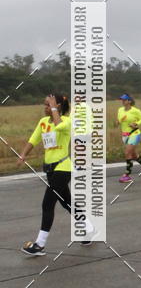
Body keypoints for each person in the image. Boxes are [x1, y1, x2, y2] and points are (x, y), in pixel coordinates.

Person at [17, 92, 93, 255]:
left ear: (57, 106)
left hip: (63, 168)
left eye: (48, 104)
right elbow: (33, 139)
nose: (44, 108)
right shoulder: (43, 122)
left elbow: (59, 126)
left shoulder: (67, 121)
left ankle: (39, 244)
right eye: (45, 104)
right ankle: (88, 228)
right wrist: (23, 155)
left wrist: (54, 110)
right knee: (67, 202)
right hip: (49, 169)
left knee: (47, 203)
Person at [117, 95, 141, 183]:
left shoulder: (135, 111)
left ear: (129, 101)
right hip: (125, 135)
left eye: (124, 100)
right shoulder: (120, 110)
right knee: (133, 155)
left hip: (135, 134)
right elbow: (119, 120)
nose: (122, 101)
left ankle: (127, 175)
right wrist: (118, 122)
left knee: (127, 152)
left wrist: (136, 123)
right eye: (121, 100)